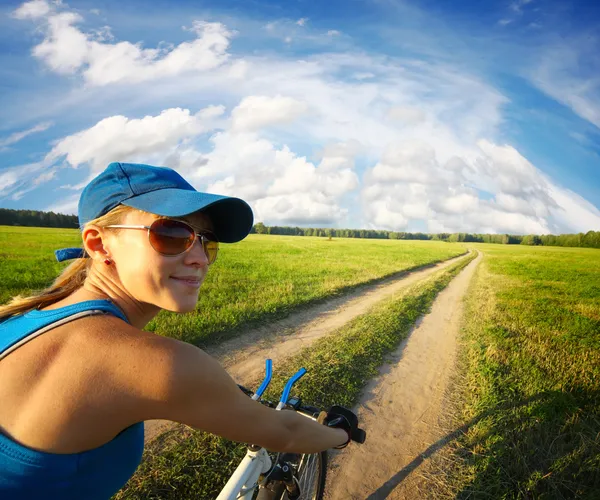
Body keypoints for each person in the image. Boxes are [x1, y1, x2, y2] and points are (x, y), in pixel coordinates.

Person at [0, 162, 360, 499]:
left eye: (206, 240)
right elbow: (286, 432)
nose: (200, 258)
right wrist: (340, 435)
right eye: (173, 233)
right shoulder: (160, 364)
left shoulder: (19, 321)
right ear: (98, 244)